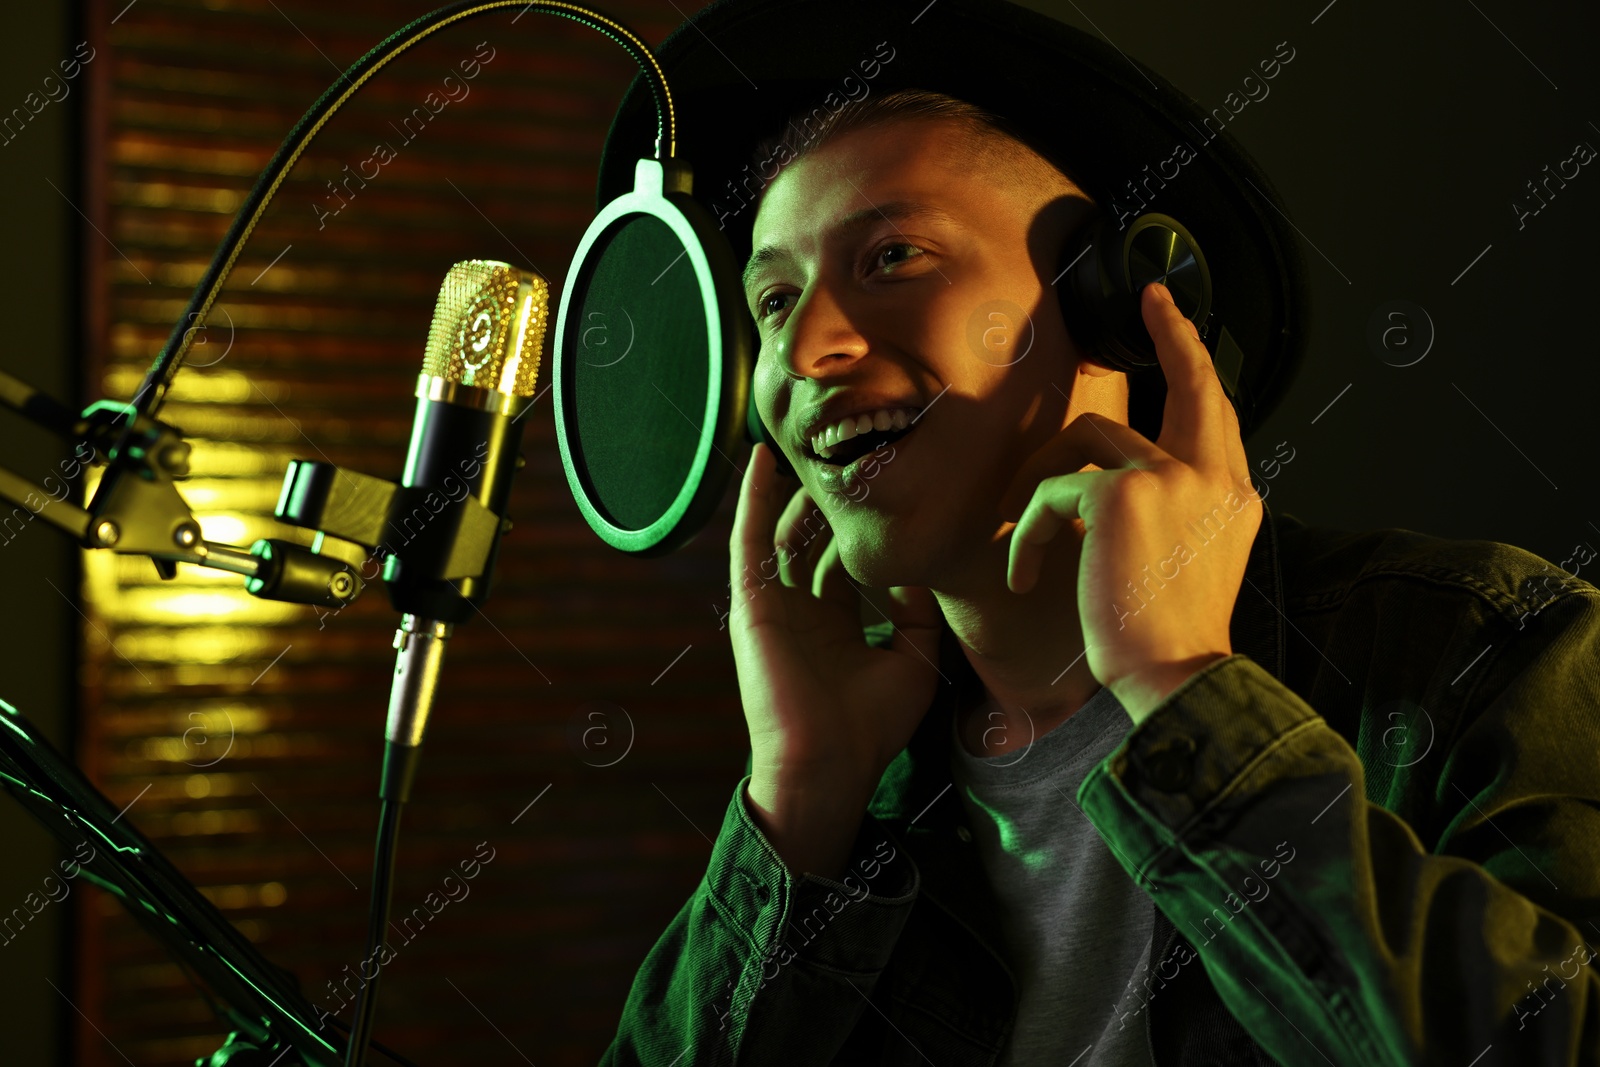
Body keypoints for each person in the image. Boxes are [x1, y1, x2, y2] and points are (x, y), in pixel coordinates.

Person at [594, 2, 1600, 1064]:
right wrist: (800, 794)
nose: (806, 350)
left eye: (891, 256)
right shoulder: (853, 803)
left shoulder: (1481, 652)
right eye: (775, 298)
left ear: (1117, 306)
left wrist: (1183, 690)